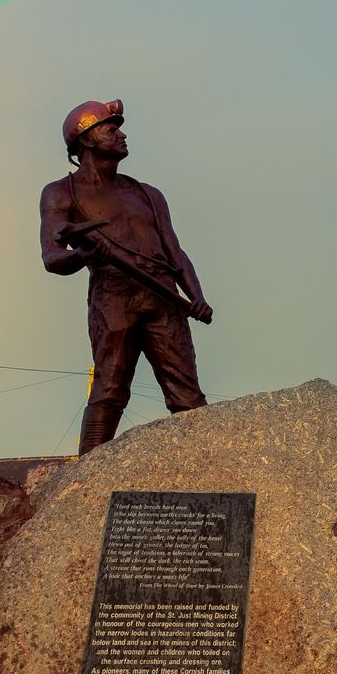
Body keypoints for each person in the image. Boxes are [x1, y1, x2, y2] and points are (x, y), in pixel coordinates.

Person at [39, 99, 212, 452]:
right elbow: (53, 257)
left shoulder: (148, 194)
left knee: (187, 395)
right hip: (113, 296)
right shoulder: (60, 193)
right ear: (86, 140)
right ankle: (86, 476)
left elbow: (175, 253)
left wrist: (196, 296)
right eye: (112, 129)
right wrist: (87, 254)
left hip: (163, 297)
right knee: (110, 389)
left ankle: (206, 467)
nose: (122, 135)